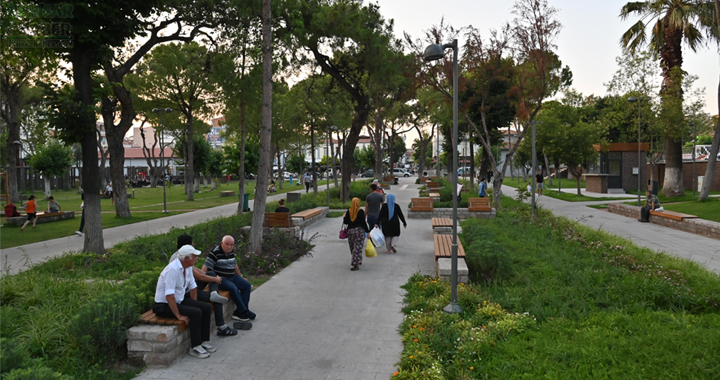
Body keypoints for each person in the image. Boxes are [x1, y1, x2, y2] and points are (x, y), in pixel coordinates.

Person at [153, 244, 216, 359]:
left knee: (205, 308)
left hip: (179, 300)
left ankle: (203, 341)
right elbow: (169, 296)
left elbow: (193, 287)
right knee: (196, 313)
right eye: (194, 256)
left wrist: (195, 304)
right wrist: (178, 315)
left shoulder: (188, 268)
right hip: (164, 305)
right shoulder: (172, 269)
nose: (196, 258)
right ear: (187, 258)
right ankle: (195, 346)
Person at [169, 235, 237, 337]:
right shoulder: (180, 259)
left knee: (212, 278)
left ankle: (214, 293)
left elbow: (199, 272)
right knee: (216, 299)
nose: (193, 245)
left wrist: (211, 275)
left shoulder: (182, 255)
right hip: (185, 293)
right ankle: (221, 327)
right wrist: (215, 279)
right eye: (192, 243)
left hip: (189, 287)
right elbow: (199, 277)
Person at [203, 236, 257, 322]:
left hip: (232, 276)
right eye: (227, 244)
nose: (229, 247)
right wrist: (204, 280)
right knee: (233, 288)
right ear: (222, 243)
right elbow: (205, 267)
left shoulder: (231, 252)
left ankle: (239, 312)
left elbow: (234, 265)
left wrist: (241, 277)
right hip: (221, 279)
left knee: (246, 285)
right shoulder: (214, 253)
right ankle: (244, 311)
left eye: (231, 245)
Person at [343, 198, 370, 271]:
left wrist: (344, 216)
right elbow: (363, 222)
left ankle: (359, 259)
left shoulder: (349, 211)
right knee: (358, 247)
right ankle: (354, 264)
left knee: (353, 247)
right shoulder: (360, 211)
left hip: (350, 231)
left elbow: (345, 222)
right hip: (359, 231)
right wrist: (368, 231)